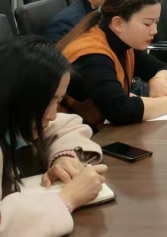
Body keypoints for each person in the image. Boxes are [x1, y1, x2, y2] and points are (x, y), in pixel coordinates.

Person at [0, 37, 109, 236]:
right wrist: (67, 199)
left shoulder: (14, 118)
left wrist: (64, 156)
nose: (52, 115)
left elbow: (67, 125)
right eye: (47, 101)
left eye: (57, 102)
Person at [59, 0, 167, 128]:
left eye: (156, 23)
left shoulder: (123, 42)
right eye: (147, 24)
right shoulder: (92, 56)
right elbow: (119, 110)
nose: (154, 31)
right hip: (72, 136)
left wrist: (159, 80)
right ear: (118, 23)